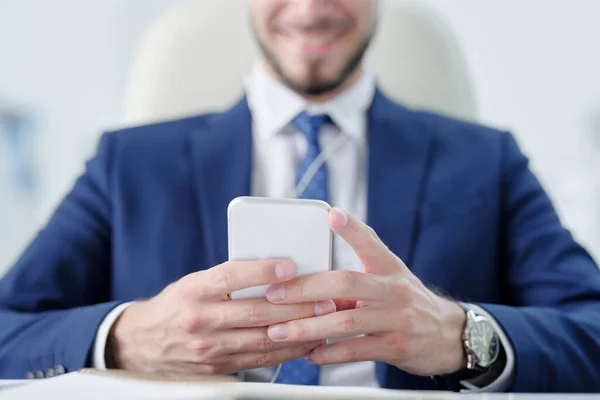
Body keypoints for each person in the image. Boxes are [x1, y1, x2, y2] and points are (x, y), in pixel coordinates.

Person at [1, 0, 599, 393]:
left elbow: (592, 329)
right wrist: (128, 337)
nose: (311, 11)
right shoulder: (127, 162)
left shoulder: (484, 160)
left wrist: (459, 335)